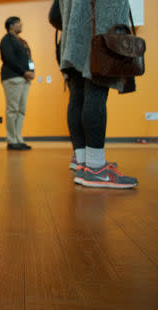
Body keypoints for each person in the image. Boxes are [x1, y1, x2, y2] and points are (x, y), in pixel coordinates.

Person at [59, 0, 138, 188]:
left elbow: (54, 13)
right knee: (96, 91)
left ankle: (83, 161)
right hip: (99, 34)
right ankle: (96, 169)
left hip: (73, 38)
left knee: (77, 96)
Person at [0, 16, 35, 151]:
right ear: (11, 25)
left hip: (25, 79)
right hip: (13, 78)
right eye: (19, 23)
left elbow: (29, 58)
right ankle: (11, 140)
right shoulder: (6, 40)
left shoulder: (22, 41)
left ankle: (18, 138)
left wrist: (32, 71)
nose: (21, 25)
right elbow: (9, 59)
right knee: (13, 109)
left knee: (21, 110)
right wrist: (24, 72)